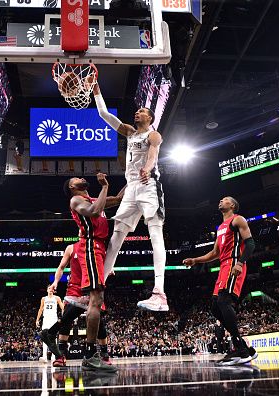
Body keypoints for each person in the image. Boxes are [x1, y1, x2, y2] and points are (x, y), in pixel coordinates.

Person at [93, 82, 168, 312]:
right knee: (117, 235)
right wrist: (96, 88)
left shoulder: (153, 134)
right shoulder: (129, 132)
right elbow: (104, 114)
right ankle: (98, 290)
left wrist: (146, 167)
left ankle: (159, 294)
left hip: (148, 185)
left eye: (143, 111)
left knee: (155, 232)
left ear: (150, 118)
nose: (138, 112)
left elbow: (153, 153)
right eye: (137, 110)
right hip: (132, 187)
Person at [183, 196, 257, 366]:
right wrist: (196, 260)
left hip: (234, 262)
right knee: (215, 307)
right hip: (223, 266)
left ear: (232, 205)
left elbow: (251, 244)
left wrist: (240, 262)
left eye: (224, 200)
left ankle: (241, 350)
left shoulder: (238, 219)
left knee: (224, 301)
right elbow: (214, 253)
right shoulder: (221, 228)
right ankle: (243, 347)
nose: (220, 201)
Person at [64, 173, 121, 372]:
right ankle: (89, 355)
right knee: (96, 300)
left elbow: (120, 199)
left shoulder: (94, 199)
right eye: (75, 179)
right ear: (72, 187)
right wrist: (105, 187)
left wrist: (133, 179)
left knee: (96, 300)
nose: (80, 178)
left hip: (99, 248)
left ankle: (91, 353)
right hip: (90, 246)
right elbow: (94, 212)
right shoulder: (76, 200)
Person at [41, 244, 115, 368]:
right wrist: (55, 282)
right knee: (67, 319)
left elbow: (104, 263)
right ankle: (61, 354)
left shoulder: (97, 246)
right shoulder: (71, 248)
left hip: (92, 288)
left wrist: (109, 269)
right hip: (75, 289)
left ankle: (104, 355)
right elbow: (61, 267)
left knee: (98, 320)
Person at [36, 285, 64, 361]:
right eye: (49, 288)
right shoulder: (44, 299)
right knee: (44, 337)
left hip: (54, 319)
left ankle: (54, 356)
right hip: (46, 319)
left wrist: (64, 314)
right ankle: (44, 356)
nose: (50, 290)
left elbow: (62, 307)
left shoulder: (57, 298)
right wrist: (37, 320)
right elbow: (40, 309)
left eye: (52, 289)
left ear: (54, 290)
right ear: (47, 290)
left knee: (53, 337)